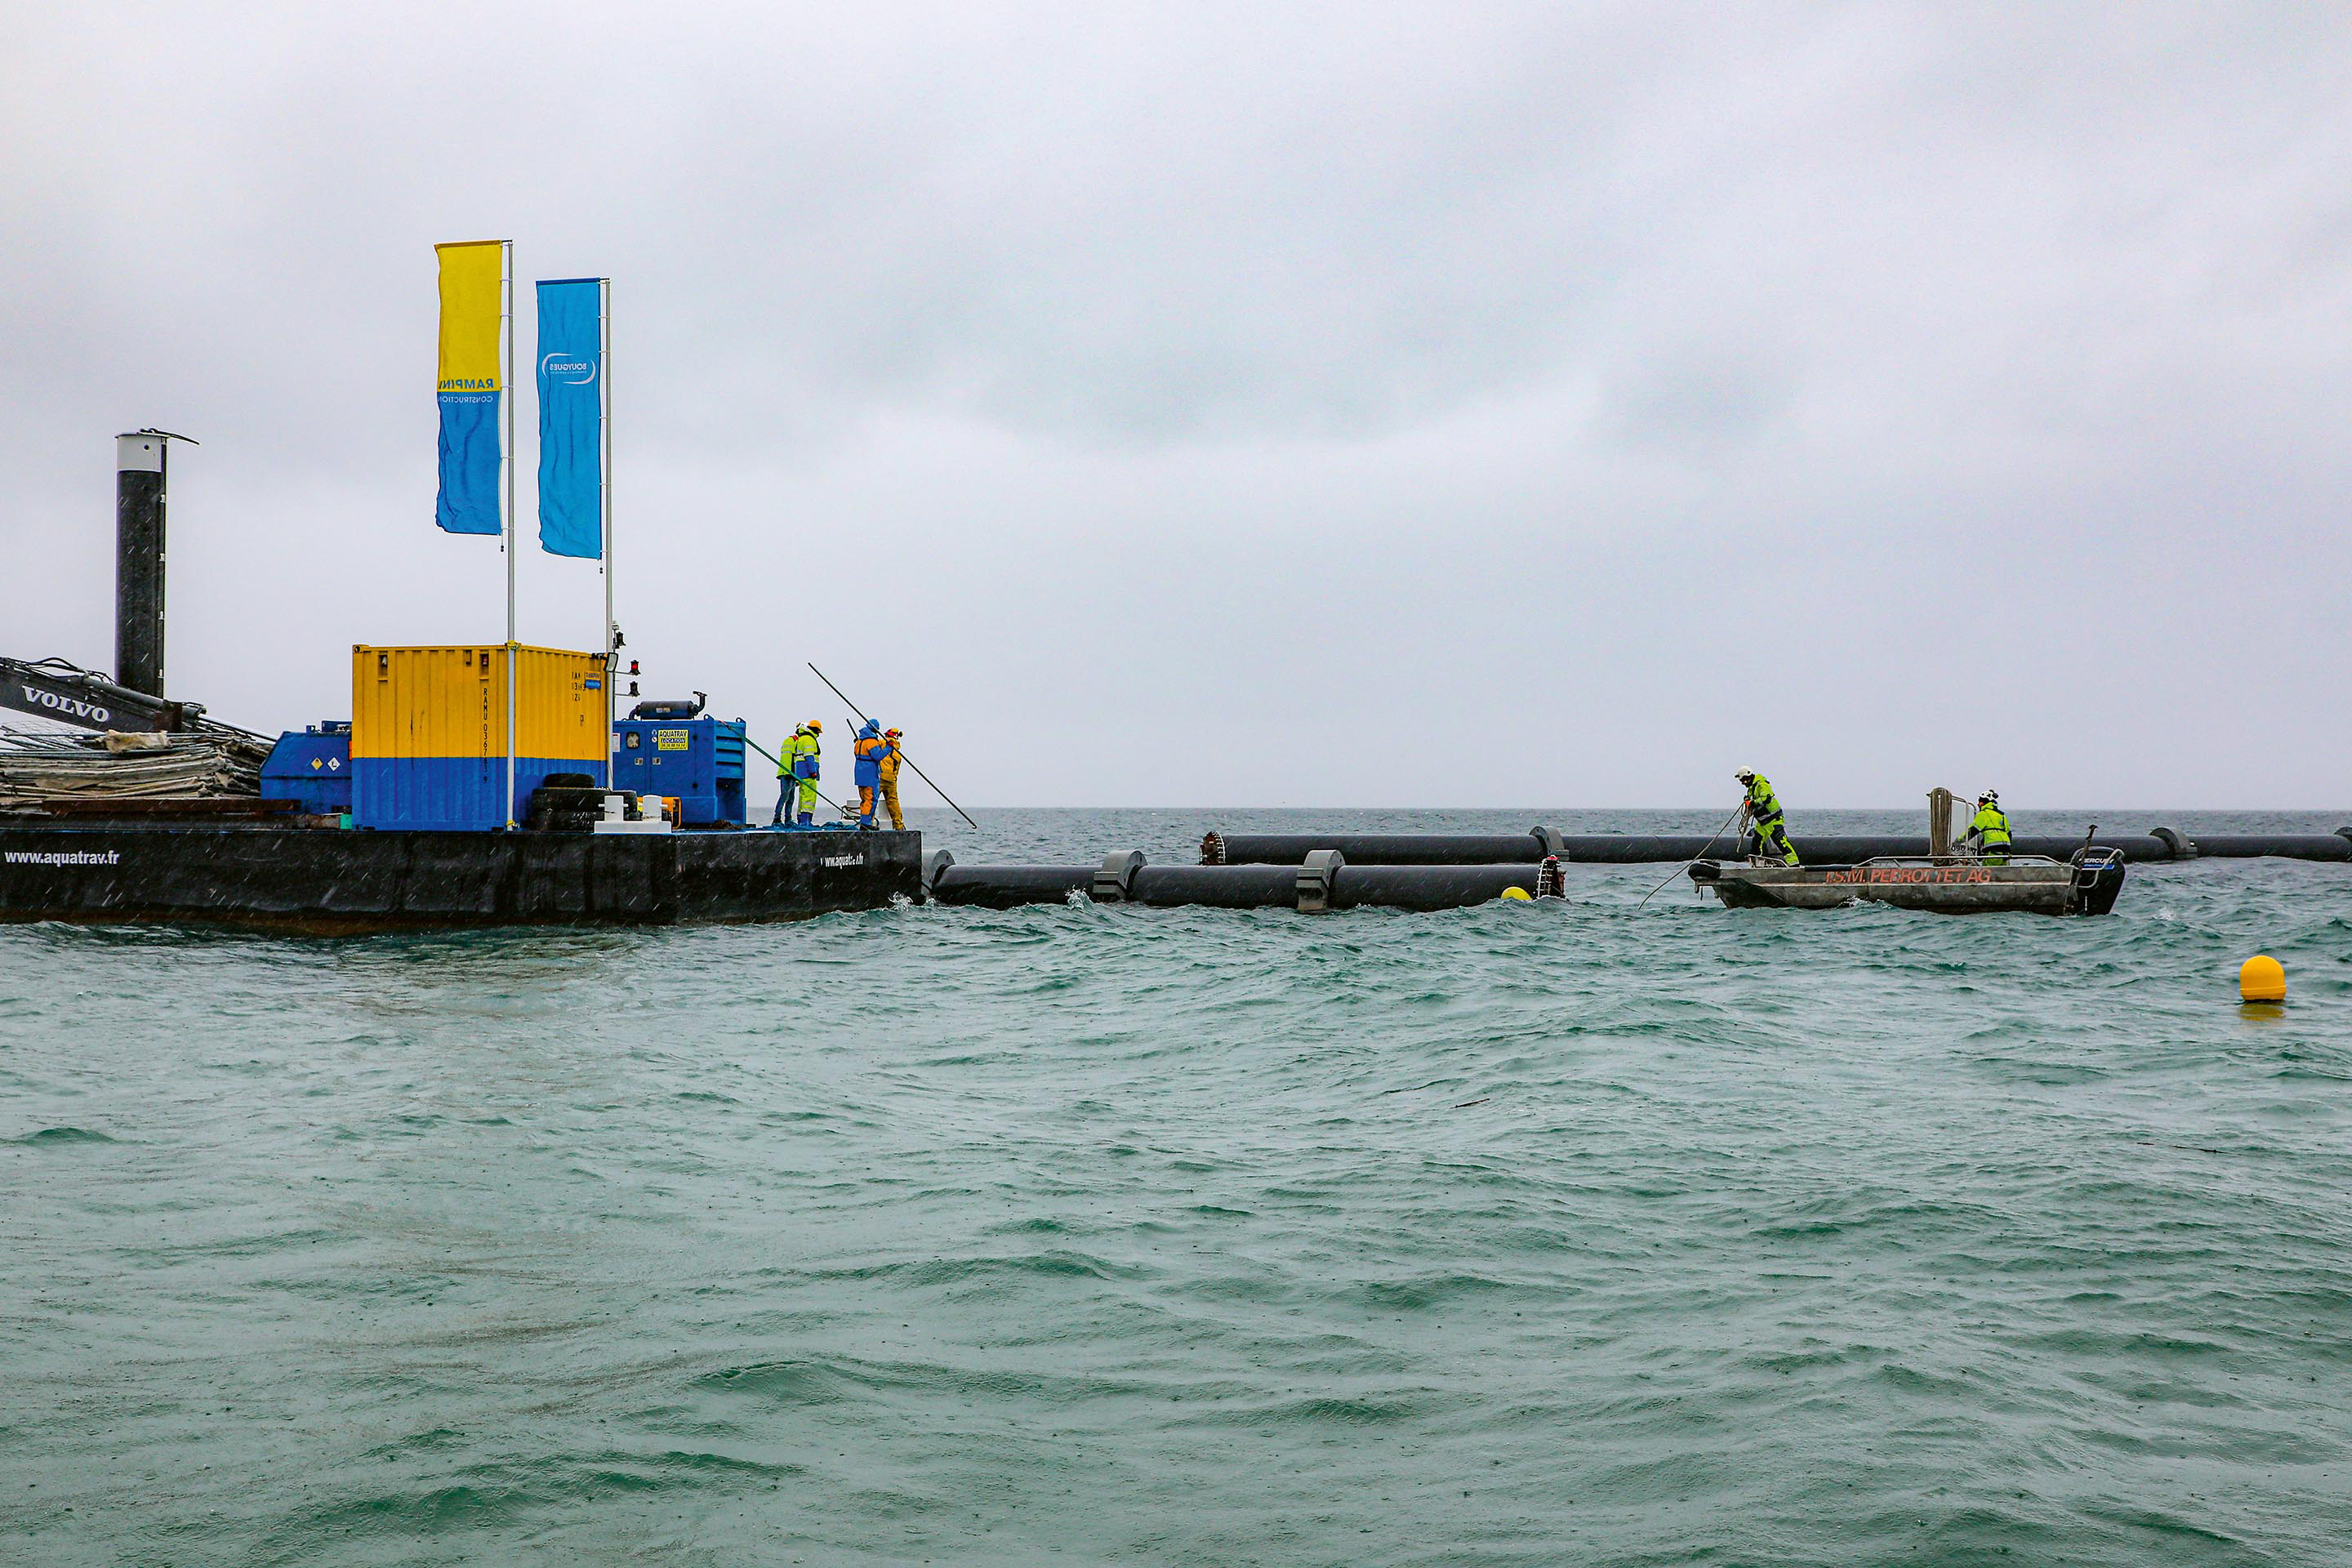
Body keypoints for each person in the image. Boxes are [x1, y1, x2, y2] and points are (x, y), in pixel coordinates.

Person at [1735, 768, 1800, 866]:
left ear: (1750, 777)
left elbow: (1766, 798)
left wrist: (1753, 802)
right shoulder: (1751, 789)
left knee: (1780, 842)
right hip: (1763, 822)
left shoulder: (1762, 784)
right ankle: (1756, 864)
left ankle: (1794, 865)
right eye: (1742, 781)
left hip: (1773, 819)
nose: (1744, 783)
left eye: (1745, 780)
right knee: (1756, 842)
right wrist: (1748, 802)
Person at [773, 719, 822, 827]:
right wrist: (810, 772)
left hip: (793, 773)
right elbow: (794, 758)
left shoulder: (798, 740)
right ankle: (778, 818)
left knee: (791, 798)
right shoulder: (794, 741)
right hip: (788, 773)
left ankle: (788, 819)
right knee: (786, 796)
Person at [851, 720, 889, 830]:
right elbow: (877, 756)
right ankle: (866, 823)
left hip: (859, 774)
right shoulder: (871, 742)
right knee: (871, 799)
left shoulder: (859, 742)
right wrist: (888, 748)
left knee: (864, 799)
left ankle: (864, 821)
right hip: (870, 774)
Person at [1962, 789, 2012, 863]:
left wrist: (1959, 840)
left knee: (1989, 872)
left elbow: (1974, 830)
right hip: (2006, 848)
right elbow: (2009, 833)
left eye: (1980, 802)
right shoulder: (2001, 815)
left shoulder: (1984, 814)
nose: (1978, 804)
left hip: (1993, 848)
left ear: (1985, 803)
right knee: (2003, 872)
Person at [875, 728, 906, 831]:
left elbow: (871, 747)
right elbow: (897, 770)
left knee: (872, 801)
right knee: (893, 802)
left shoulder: (883, 743)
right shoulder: (897, 752)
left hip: (880, 778)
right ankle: (899, 825)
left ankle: (868, 823)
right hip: (892, 780)